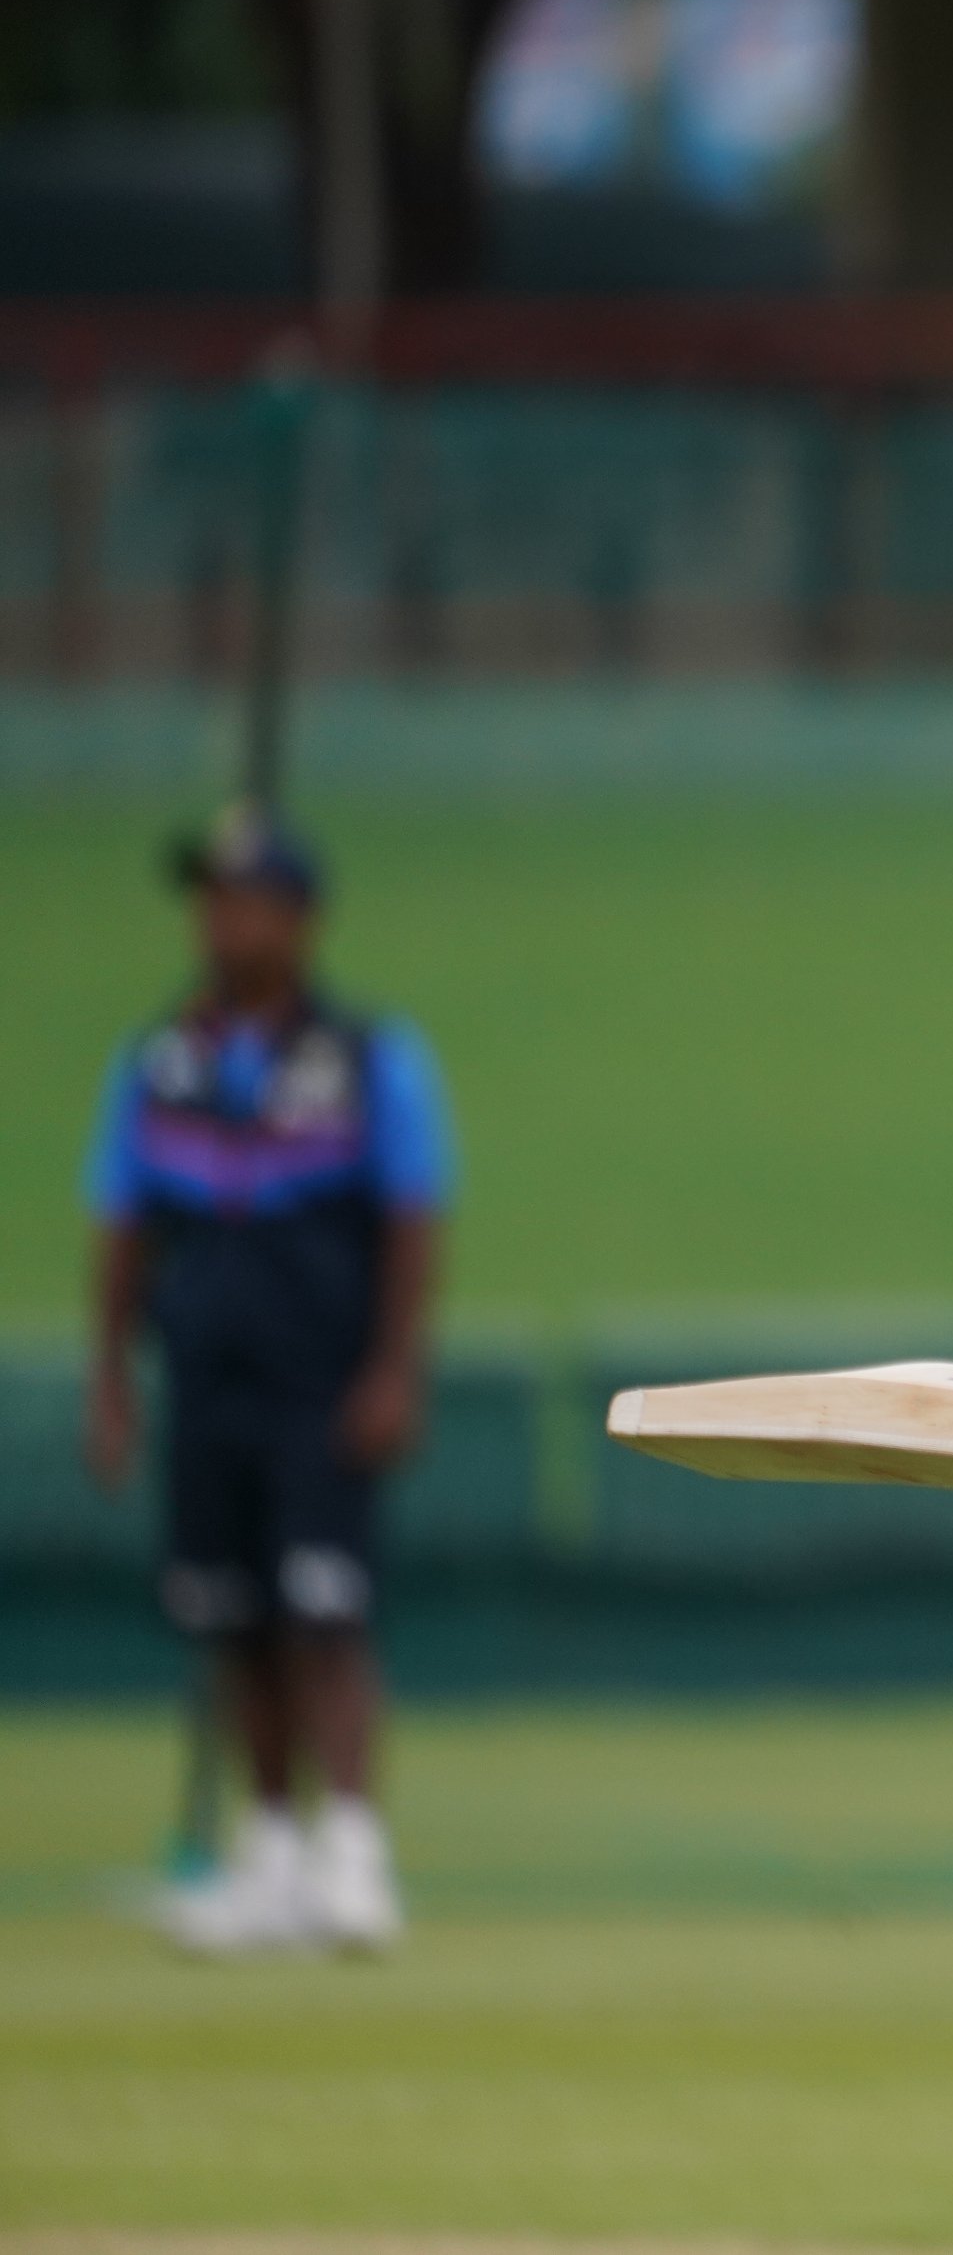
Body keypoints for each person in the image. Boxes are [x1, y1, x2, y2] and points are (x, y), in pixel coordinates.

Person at [81, 804, 453, 1958]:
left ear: (298, 917)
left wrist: (394, 1366)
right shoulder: (165, 1063)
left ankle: (352, 1850)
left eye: (246, 899)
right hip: (206, 1374)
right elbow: (124, 1224)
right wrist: (113, 1374)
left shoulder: (361, 1058)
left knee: (326, 1608)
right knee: (232, 1619)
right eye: (211, 899)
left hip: (319, 1379)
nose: (222, 921)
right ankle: (272, 1851)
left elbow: (412, 1217)